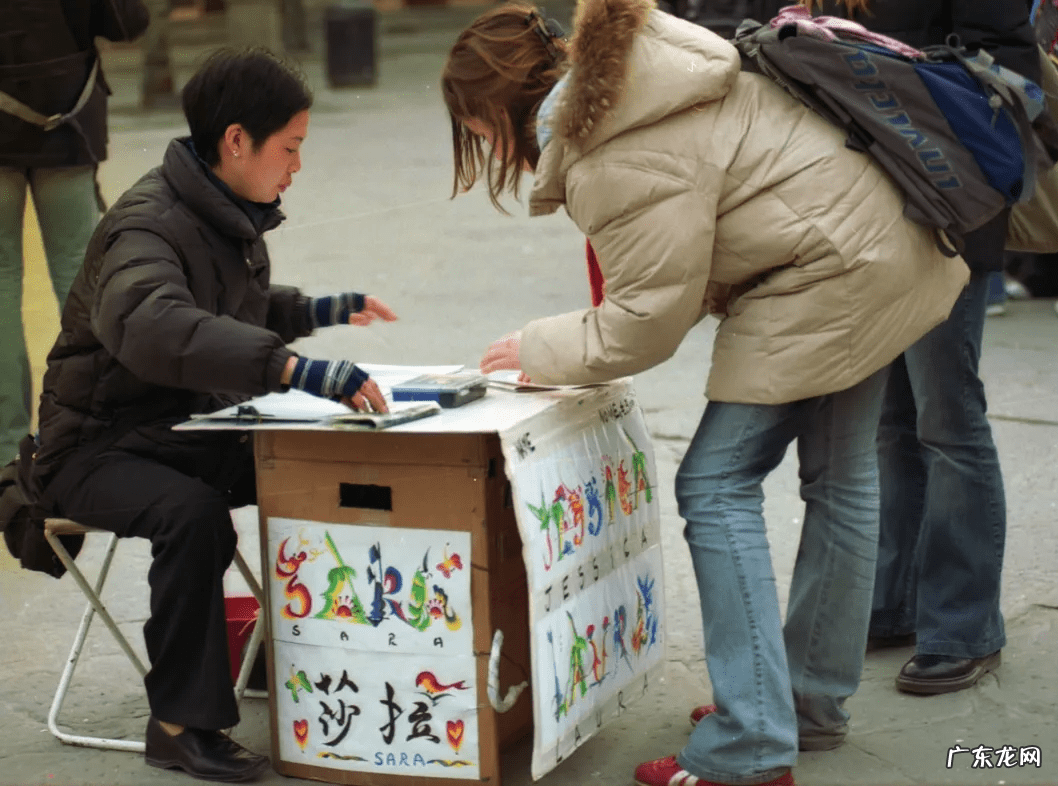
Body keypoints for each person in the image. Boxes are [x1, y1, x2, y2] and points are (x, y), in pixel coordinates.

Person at [442, 1, 968, 784]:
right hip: (881, 236)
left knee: (714, 485)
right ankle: (800, 706)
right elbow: (677, 276)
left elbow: (646, 321)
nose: (486, 150)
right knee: (842, 477)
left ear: (496, 110)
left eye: (478, 133)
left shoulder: (609, 149)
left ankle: (751, 742)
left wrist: (537, 347)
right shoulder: (643, 76)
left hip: (826, 270)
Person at [22, 47, 396, 783]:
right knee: (193, 516)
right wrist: (294, 369)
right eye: (290, 147)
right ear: (236, 141)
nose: (297, 166)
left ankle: (306, 652)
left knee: (314, 461)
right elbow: (157, 325)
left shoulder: (216, 208)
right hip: (92, 448)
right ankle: (178, 724)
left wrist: (320, 311)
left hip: (177, 427)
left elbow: (231, 307)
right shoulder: (146, 226)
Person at [804, 0, 1040, 696]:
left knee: (947, 415)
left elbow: (1006, 70)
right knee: (890, 419)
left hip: (946, 204)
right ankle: (894, 603)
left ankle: (964, 627)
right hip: (865, 204)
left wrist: (888, 79)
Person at [0, 0, 150, 464]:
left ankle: (5, 452)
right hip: (66, 122)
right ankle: (88, 429)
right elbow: (128, 23)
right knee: (78, 278)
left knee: (1, 281)